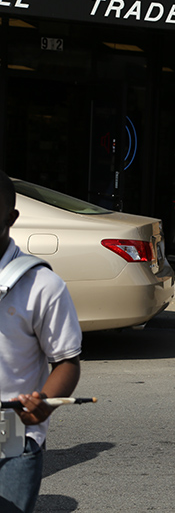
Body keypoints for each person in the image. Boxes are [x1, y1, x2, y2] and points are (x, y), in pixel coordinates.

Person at [0, 170, 82, 513]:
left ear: (11, 218)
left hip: (12, 428)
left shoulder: (42, 285)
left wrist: (45, 400)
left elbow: (66, 361)